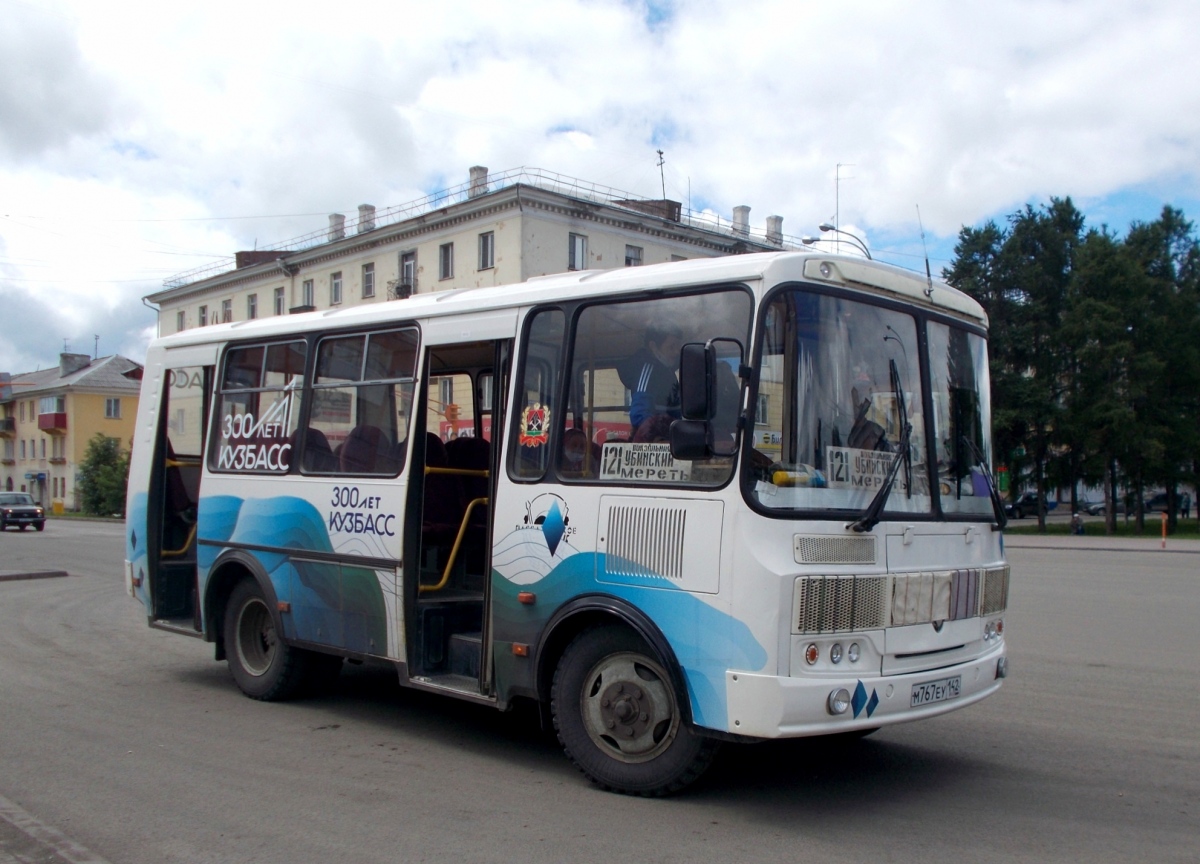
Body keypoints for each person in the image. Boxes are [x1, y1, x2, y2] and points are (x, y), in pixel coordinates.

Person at [618, 323, 683, 430]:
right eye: (671, 347)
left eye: (678, 347)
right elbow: (639, 415)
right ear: (653, 346)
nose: (677, 352)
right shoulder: (647, 371)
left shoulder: (669, 373)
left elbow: (676, 411)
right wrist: (660, 437)